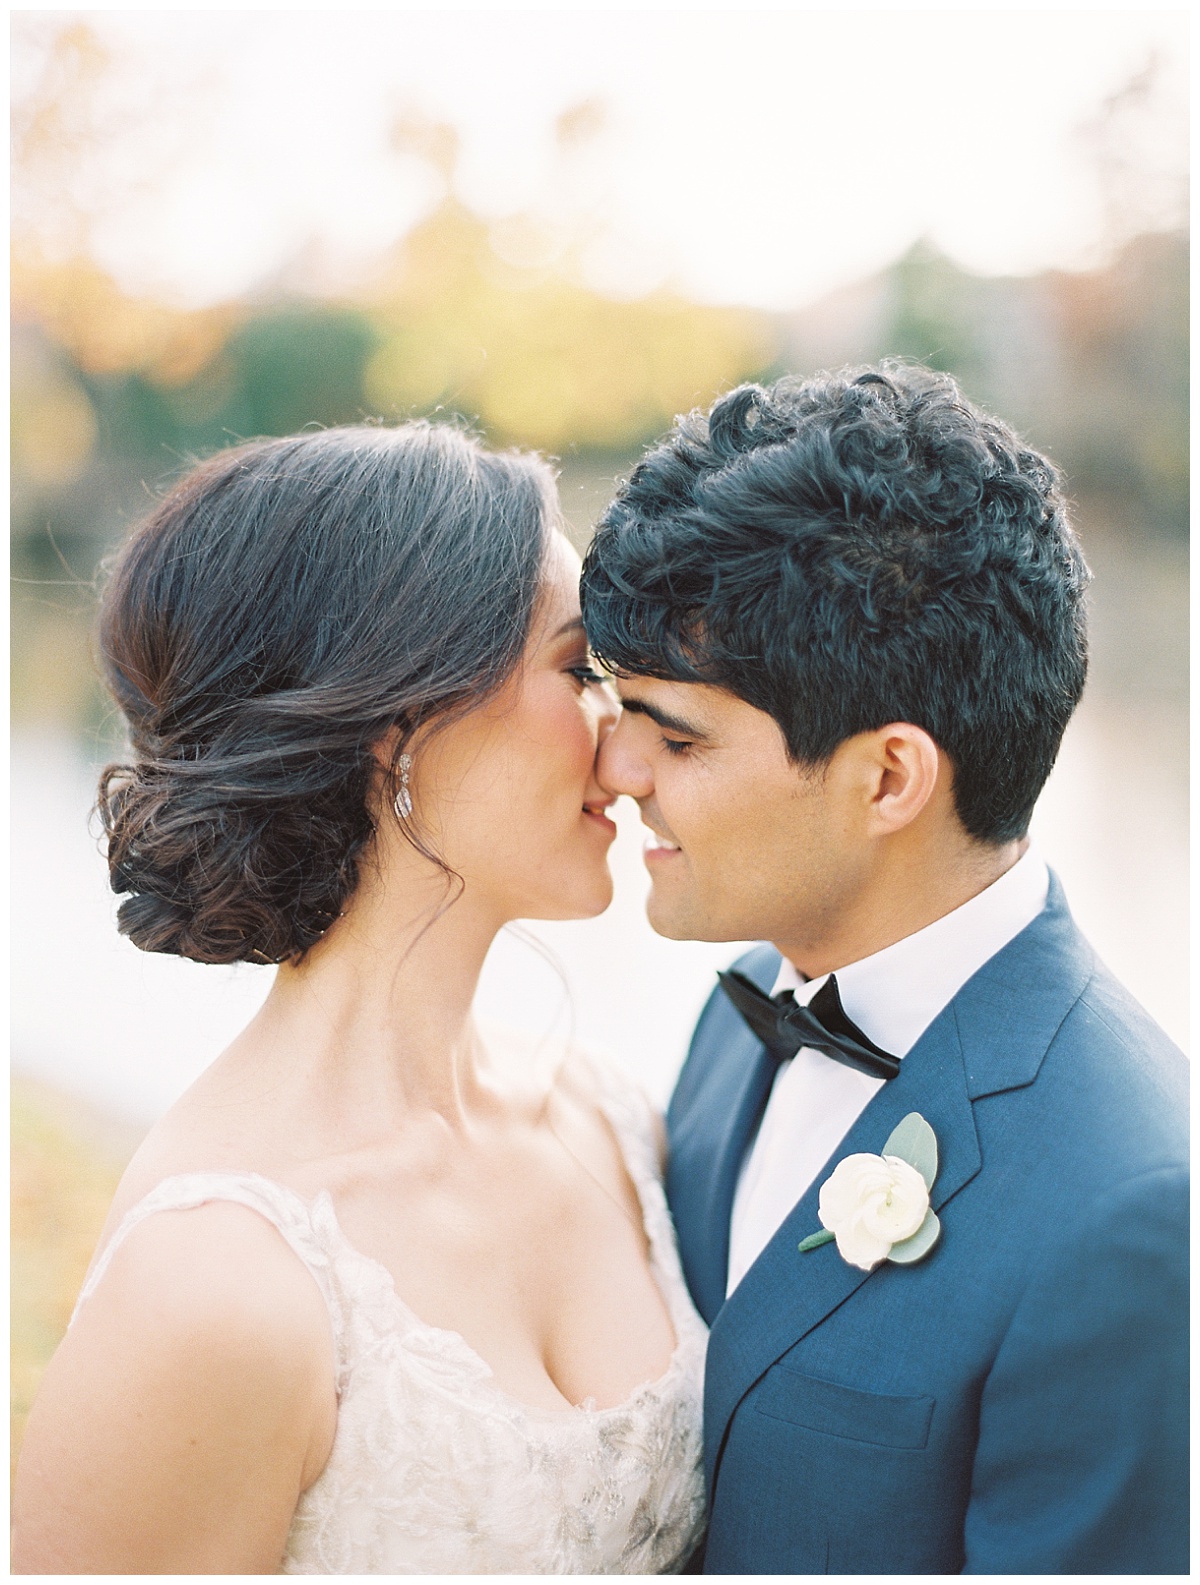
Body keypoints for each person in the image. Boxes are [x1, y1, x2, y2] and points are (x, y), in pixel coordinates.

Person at [12, 423, 707, 1575]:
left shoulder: (612, 1119)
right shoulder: (211, 1285)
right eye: (577, 668)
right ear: (396, 721)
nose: (627, 743)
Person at [580, 365, 1188, 1575]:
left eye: (677, 732)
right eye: (614, 704)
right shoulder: (745, 1008)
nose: (615, 767)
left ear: (890, 779)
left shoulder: (1134, 1211)